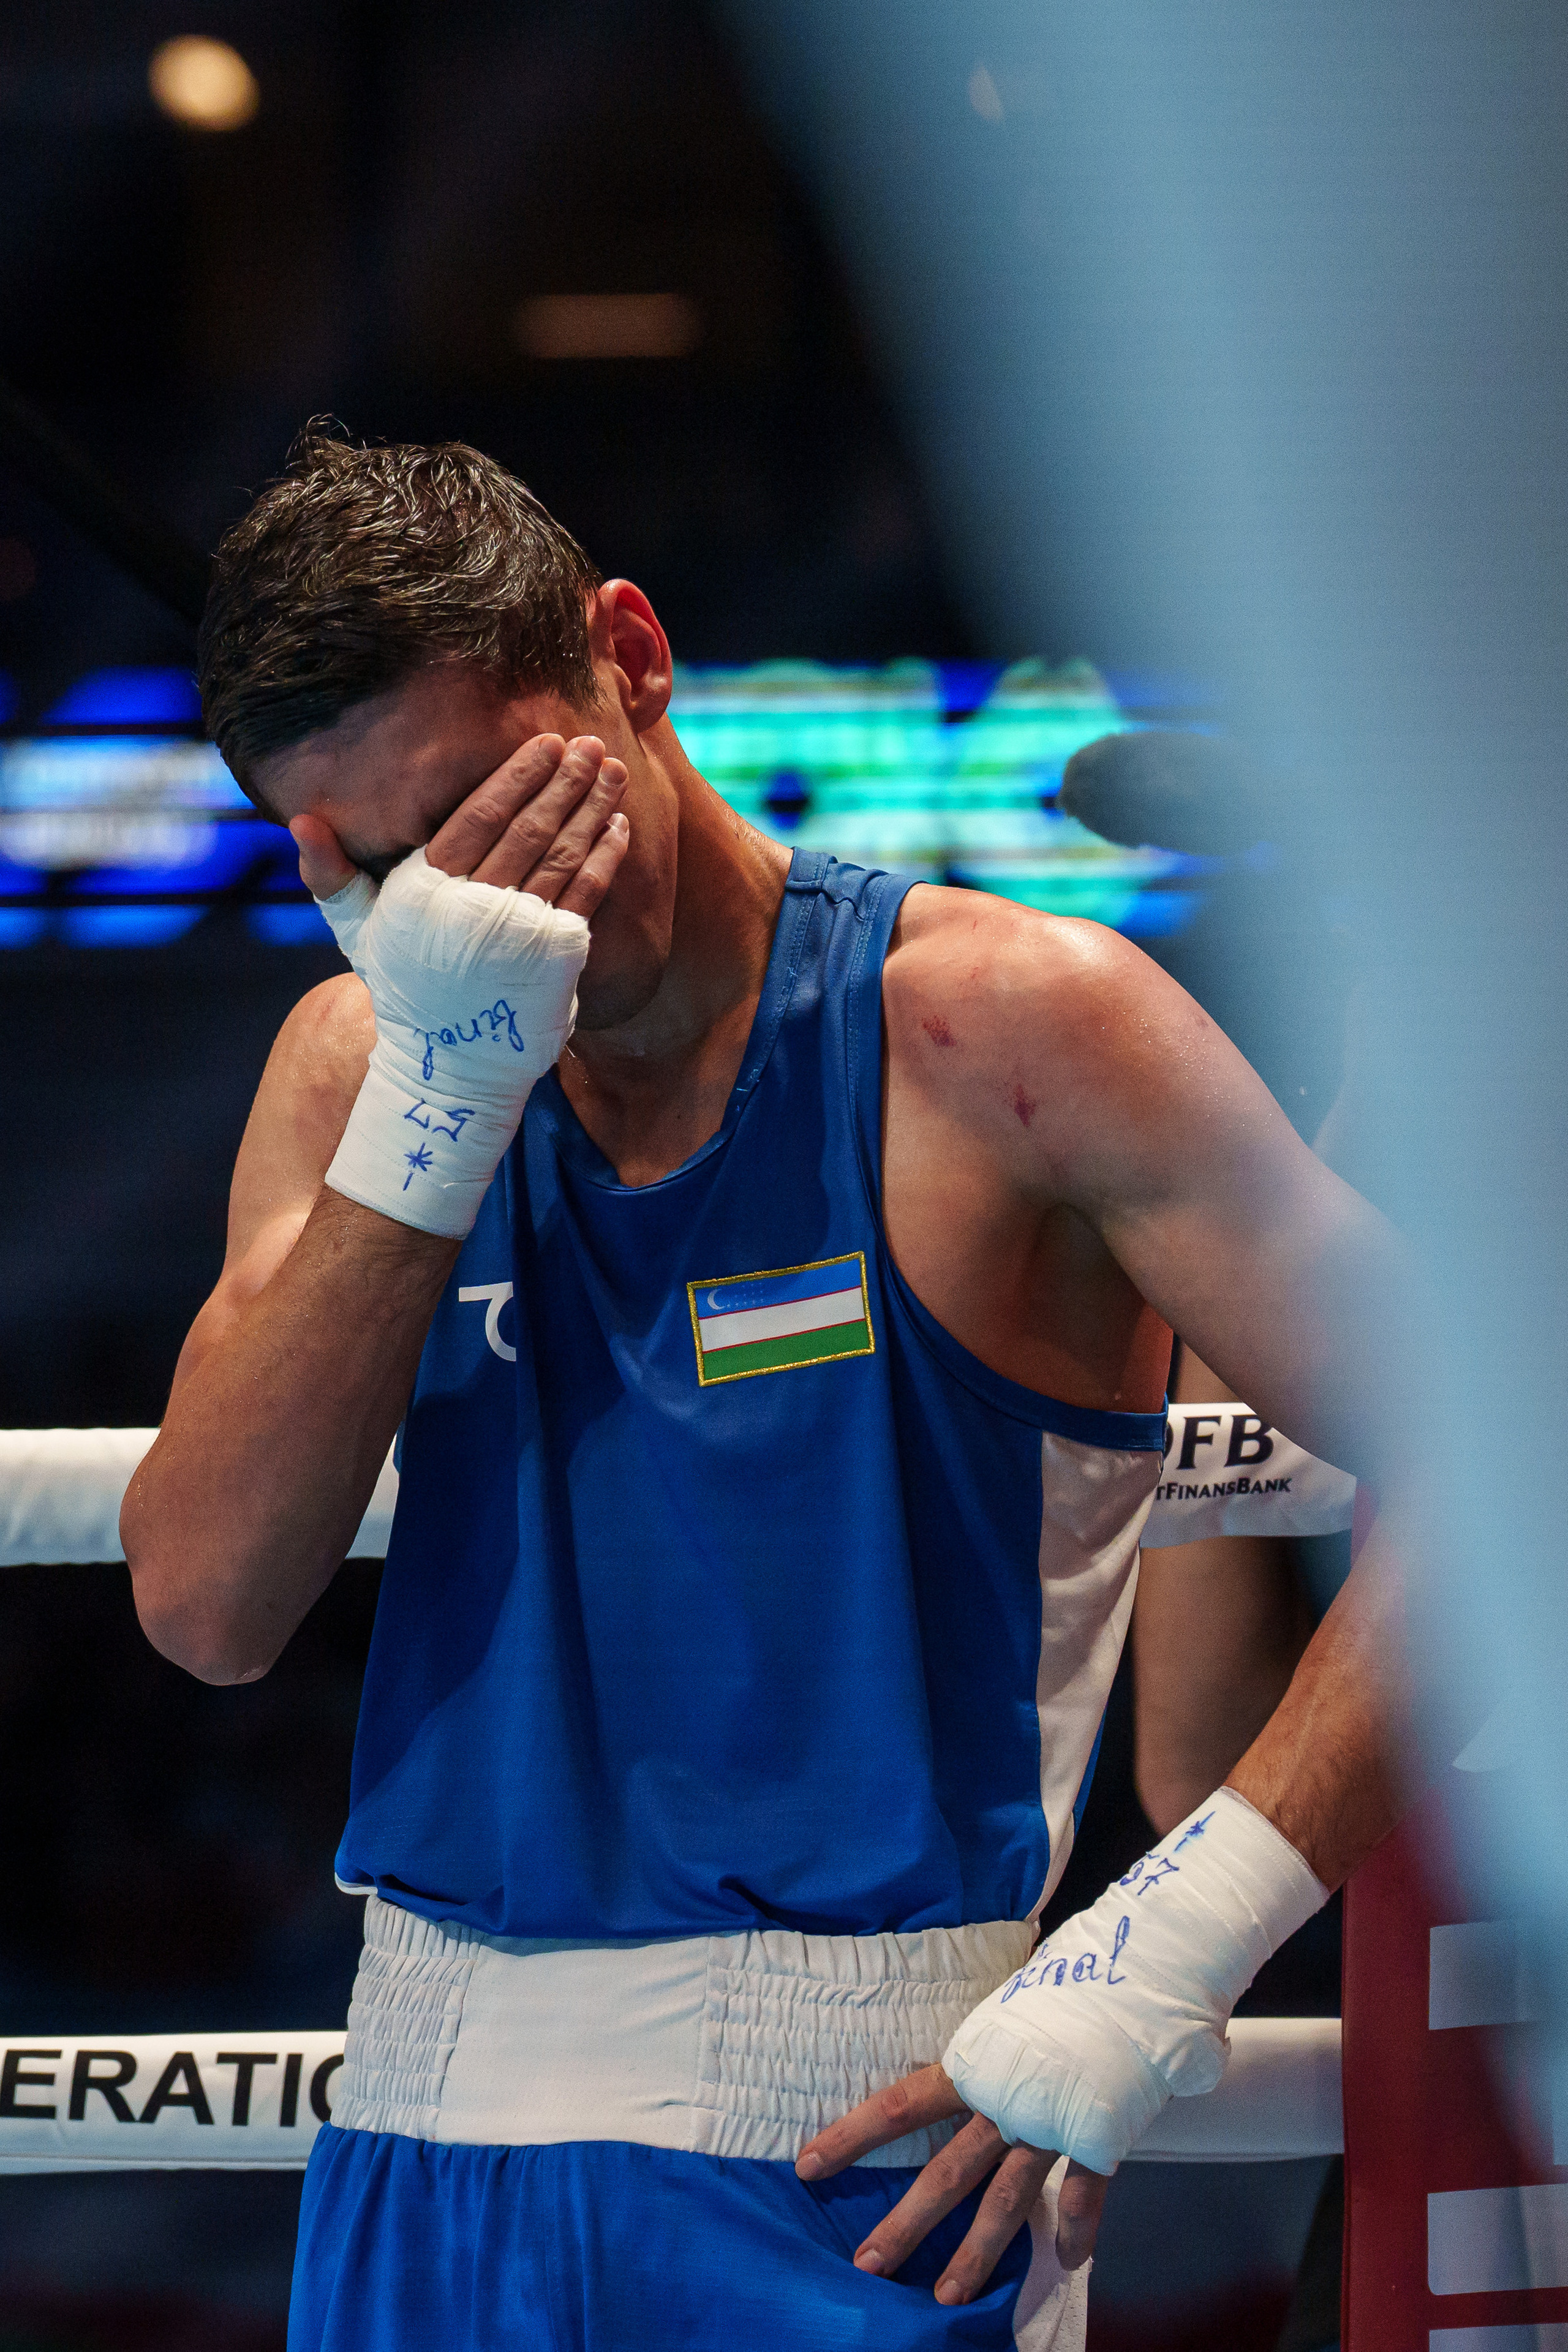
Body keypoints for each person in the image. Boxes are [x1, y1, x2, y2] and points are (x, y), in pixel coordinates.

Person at [121, 431, 1419, 2352]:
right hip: (417, 2158)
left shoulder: (1003, 1033)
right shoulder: (350, 1068)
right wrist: (438, 1096)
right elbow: (208, 1603)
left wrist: (1189, 1935)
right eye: (412, 868)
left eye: (517, 813)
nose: (509, 908)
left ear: (628, 658)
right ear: (320, 863)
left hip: (861, 2182)